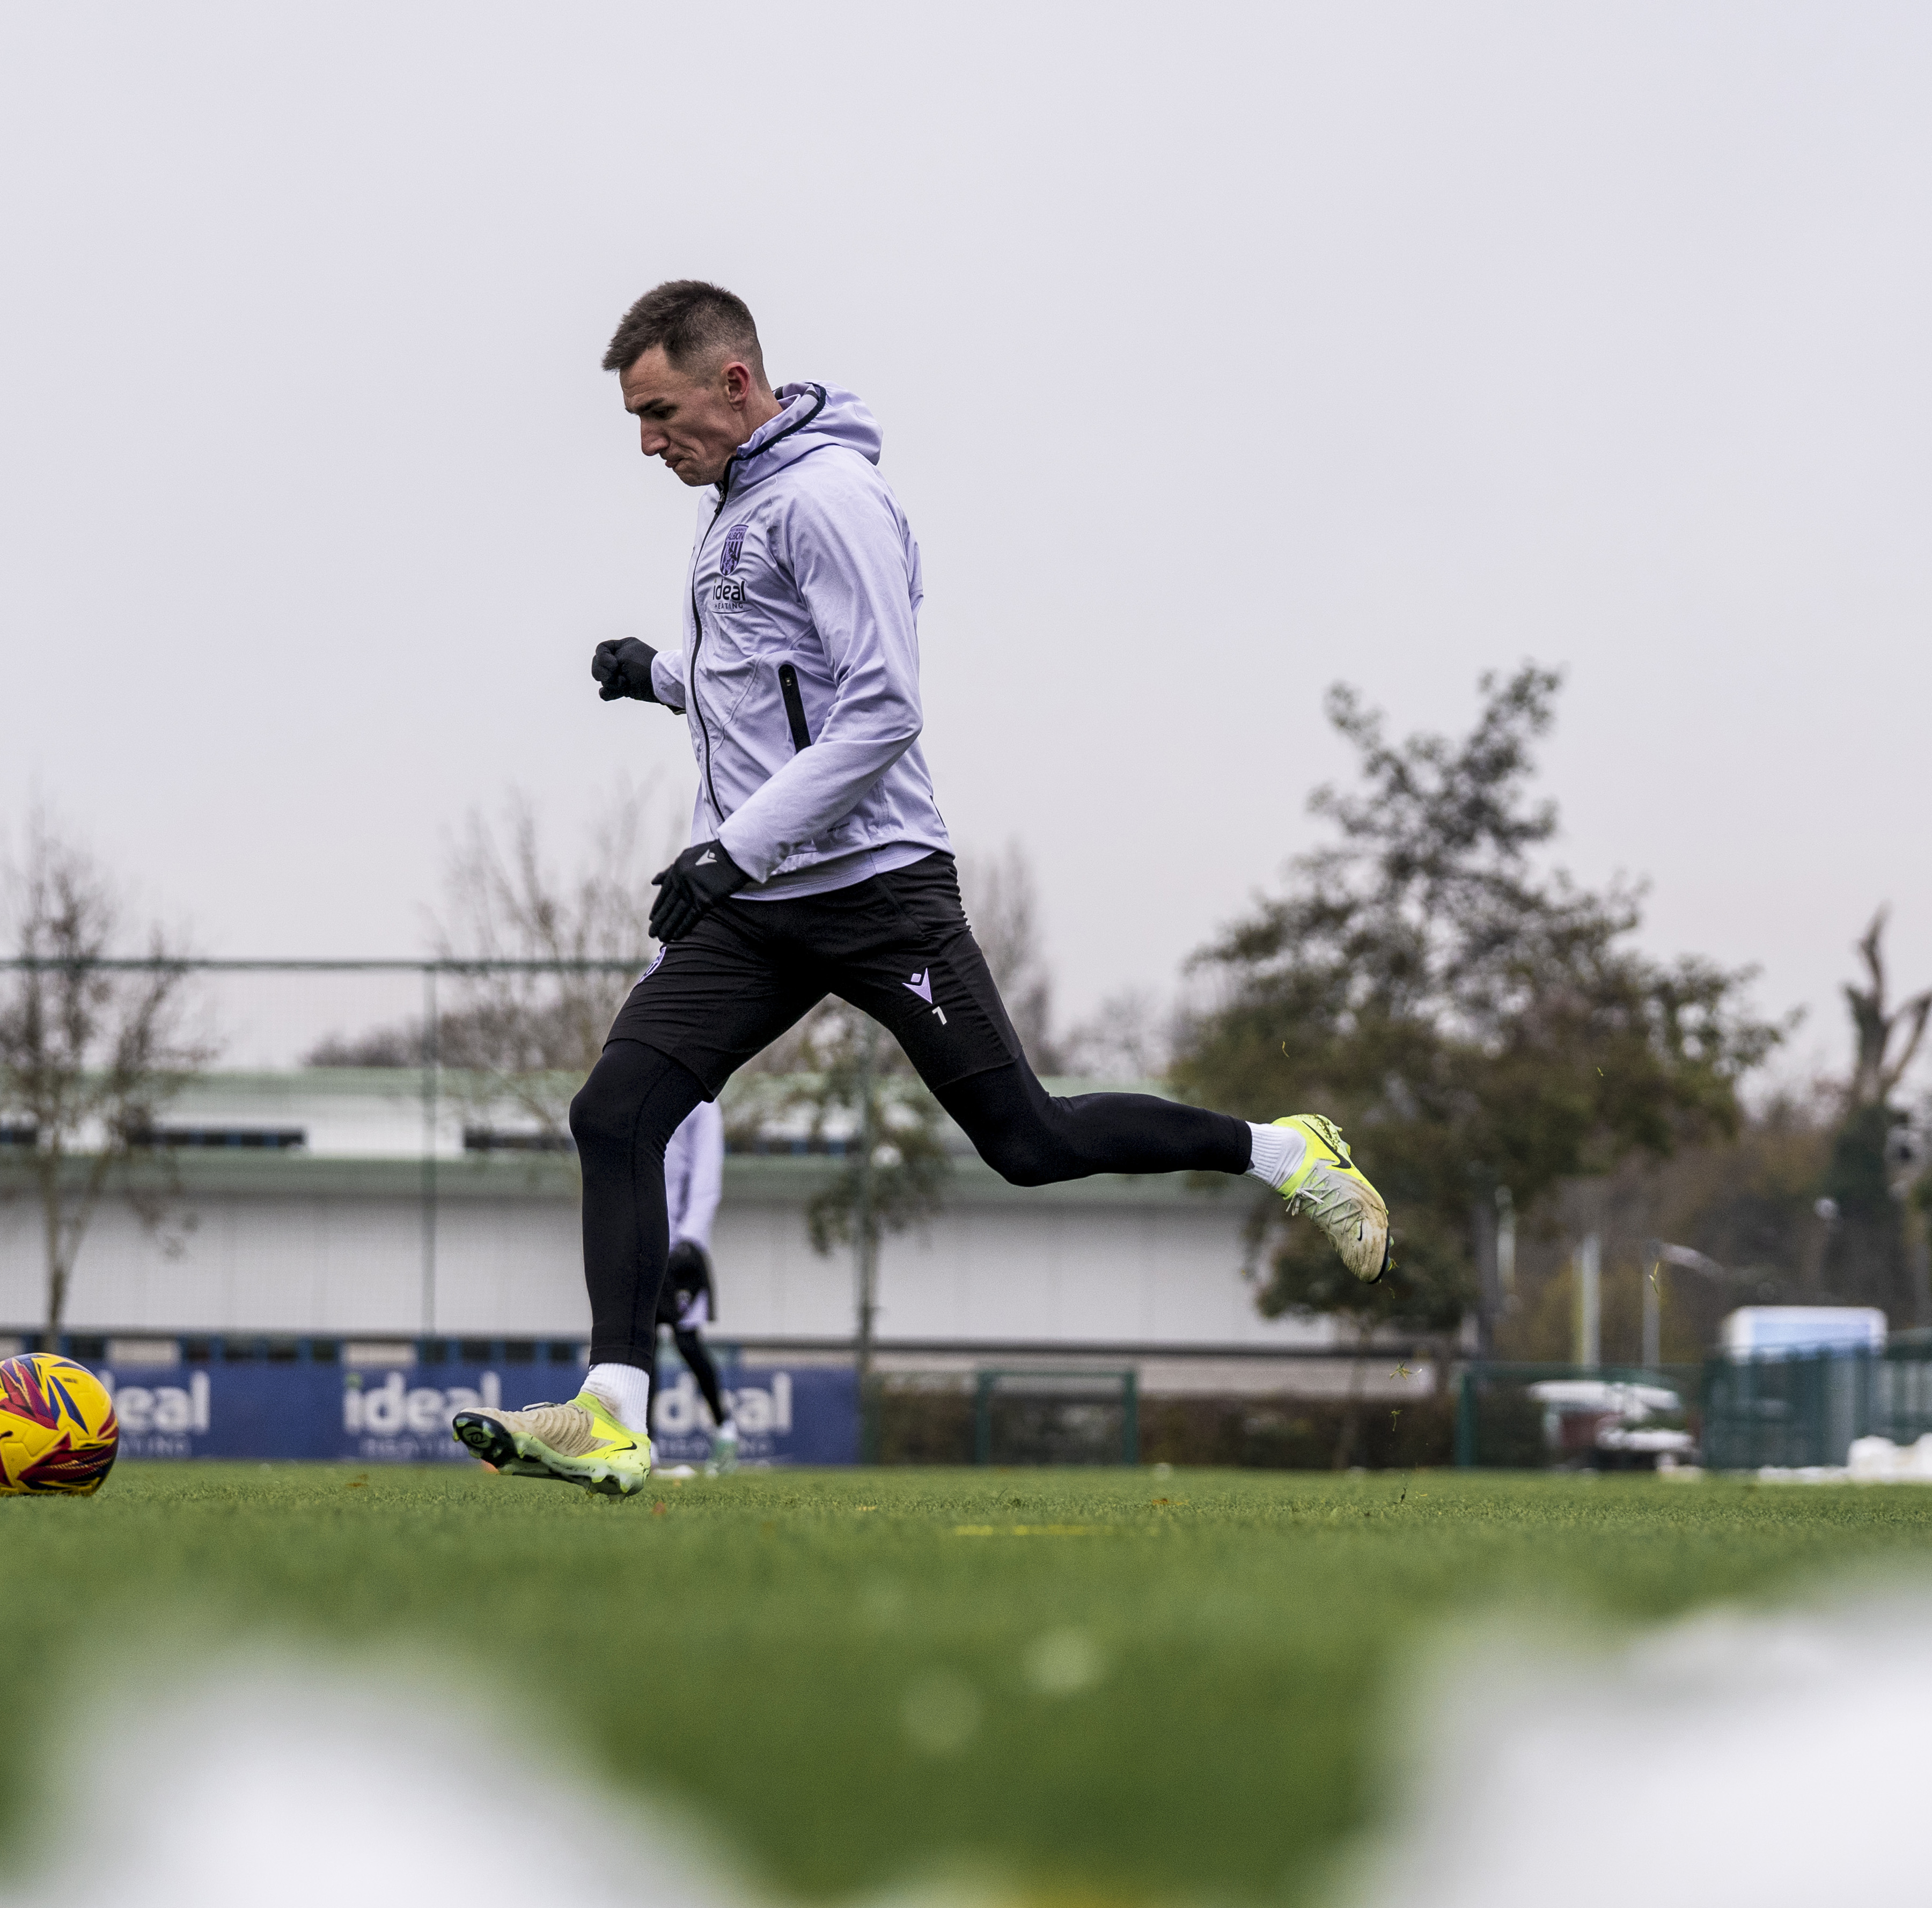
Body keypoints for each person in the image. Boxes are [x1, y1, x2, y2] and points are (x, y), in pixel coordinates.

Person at [453, 281, 1393, 1498]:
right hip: (757, 906)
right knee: (614, 1116)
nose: (647, 444)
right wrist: (664, 676)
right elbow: (764, 677)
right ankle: (614, 1418)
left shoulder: (832, 500)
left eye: (659, 412)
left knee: (1028, 1140)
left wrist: (730, 851)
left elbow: (880, 710)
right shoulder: (739, 494)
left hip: (874, 887)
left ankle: (1283, 1151)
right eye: (637, 420)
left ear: (735, 384)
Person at [658, 1099, 741, 1472]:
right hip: (643, 1244)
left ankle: (725, 1429)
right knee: (638, 1342)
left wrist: (690, 1241)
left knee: (687, 1342)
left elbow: (706, 1179)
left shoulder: (702, 1106)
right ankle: (642, 1445)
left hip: (682, 1253)